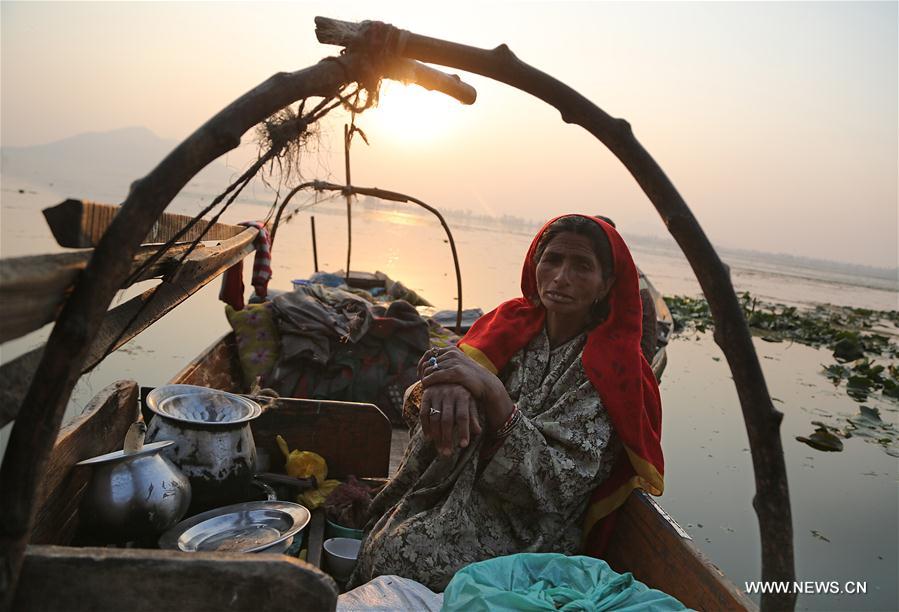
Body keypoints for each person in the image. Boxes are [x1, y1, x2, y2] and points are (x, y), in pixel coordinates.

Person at [348, 214, 664, 592]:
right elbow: (438, 382)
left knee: (398, 556)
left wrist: (493, 396)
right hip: (458, 487)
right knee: (377, 535)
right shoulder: (510, 323)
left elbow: (555, 484)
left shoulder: (613, 370)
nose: (562, 277)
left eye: (582, 266)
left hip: (532, 529)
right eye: (553, 260)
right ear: (535, 264)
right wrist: (447, 385)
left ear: (605, 285)